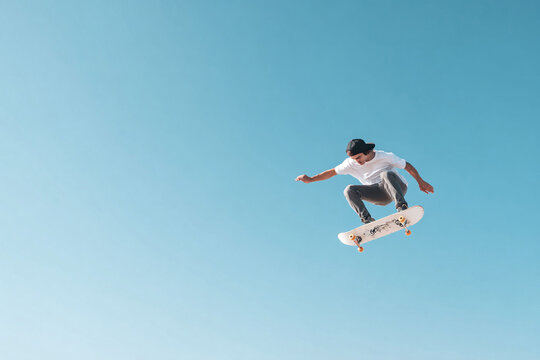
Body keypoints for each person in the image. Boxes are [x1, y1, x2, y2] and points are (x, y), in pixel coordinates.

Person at [295, 139, 434, 224]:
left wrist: (420, 182)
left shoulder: (385, 156)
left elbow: (407, 166)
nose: (357, 161)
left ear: (367, 152)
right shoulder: (350, 163)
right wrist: (311, 179)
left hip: (397, 188)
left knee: (386, 174)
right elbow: (332, 172)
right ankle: (367, 219)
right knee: (349, 190)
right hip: (378, 195)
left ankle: (401, 207)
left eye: (359, 157)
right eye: (354, 159)